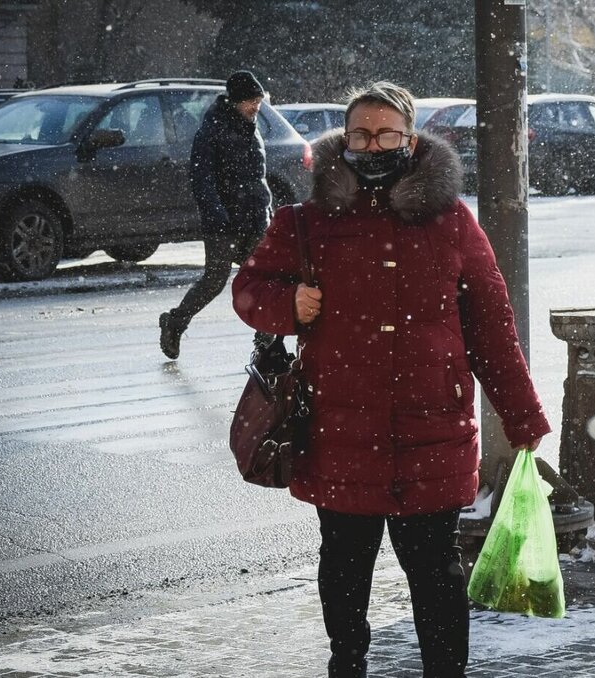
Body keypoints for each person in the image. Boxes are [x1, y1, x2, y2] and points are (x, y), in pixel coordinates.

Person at [232, 81, 550, 678]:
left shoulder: (452, 221)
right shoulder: (308, 221)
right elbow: (248, 288)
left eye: (385, 134)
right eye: (359, 134)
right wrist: (288, 304)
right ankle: (346, 665)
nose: (371, 145)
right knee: (345, 569)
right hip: (339, 431)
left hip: (433, 428)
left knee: (435, 573)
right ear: (343, 139)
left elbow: (490, 325)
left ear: (410, 140)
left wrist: (523, 413)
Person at [159, 70, 272, 359]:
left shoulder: (252, 128)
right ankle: (175, 322)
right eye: (250, 101)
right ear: (234, 102)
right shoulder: (212, 131)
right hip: (223, 222)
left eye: (258, 101)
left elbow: (258, 177)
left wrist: (266, 210)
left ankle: (267, 342)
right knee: (214, 280)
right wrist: (217, 215)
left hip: (254, 219)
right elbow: (202, 180)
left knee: (264, 280)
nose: (255, 107)